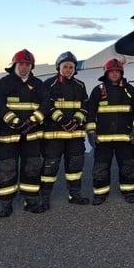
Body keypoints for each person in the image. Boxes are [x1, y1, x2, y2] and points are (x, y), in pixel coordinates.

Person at [0, 49, 47, 217]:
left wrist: (32, 121)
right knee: (7, 169)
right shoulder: (3, 84)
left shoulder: (38, 84)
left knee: (32, 168)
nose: (24, 68)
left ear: (31, 67)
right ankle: (6, 204)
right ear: (15, 65)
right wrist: (15, 122)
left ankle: (31, 201)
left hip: (31, 135)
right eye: (21, 64)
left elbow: (46, 104)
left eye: (27, 65)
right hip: (7, 136)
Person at [85, 58, 134, 205]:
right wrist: (91, 132)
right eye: (112, 72)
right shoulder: (98, 90)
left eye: (118, 71)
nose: (115, 74)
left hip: (125, 138)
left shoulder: (129, 90)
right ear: (107, 73)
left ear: (121, 73)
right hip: (103, 139)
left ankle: (129, 192)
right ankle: (100, 194)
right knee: (101, 167)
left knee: (128, 166)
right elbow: (90, 113)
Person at [40, 51, 90, 210]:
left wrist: (76, 119)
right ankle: (45, 197)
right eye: (65, 66)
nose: (68, 69)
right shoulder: (49, 84)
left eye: (71, 67)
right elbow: (46, 106)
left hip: (75, 133)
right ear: (58, 67)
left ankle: (74, 195)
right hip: (54, 134)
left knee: (75, 166)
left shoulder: (80, 85)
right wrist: (62, 120)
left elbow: (85, 106)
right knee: (50, 166)